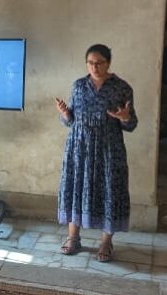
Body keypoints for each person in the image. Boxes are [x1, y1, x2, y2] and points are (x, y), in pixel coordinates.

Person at [55, 44, 136, 262]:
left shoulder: (122, 88)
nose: (95, 67)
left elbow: (131, 124)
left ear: (108, 63)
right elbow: (70, 121)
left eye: (99, 62)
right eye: (90, 62)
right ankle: (73, 238)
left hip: (109, 150)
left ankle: (106, 242)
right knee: (77, 188)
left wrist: (125, 117)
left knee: (109, 191)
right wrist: (64, 114)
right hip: (79, 149)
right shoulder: (79, 86)